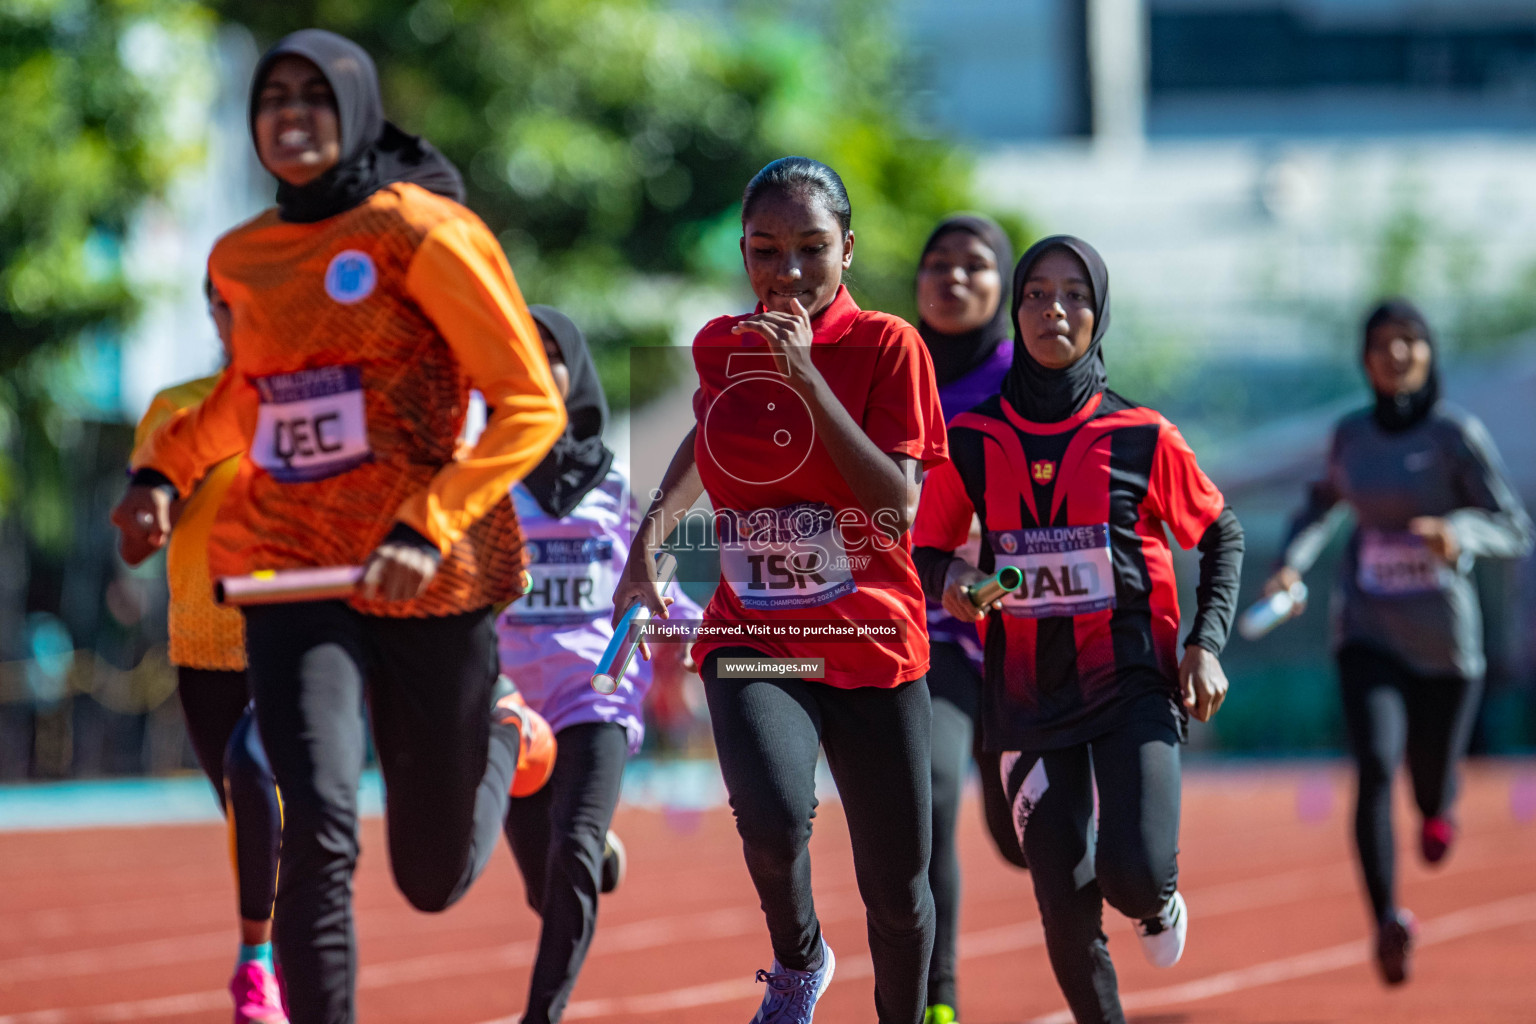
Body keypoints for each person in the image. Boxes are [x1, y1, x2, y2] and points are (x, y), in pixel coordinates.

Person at [110, 30, 563, 1024]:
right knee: (313, 824)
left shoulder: (424, 233)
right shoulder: (243, 257)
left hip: (426, 581)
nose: (291, 114)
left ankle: (497, 731)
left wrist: (425, 522)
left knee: (431, 875)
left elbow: (531, 403)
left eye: (315, 96)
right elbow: (251, 397)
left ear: (355, 108)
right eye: (272, 96)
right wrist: (161, 469)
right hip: (293, 575)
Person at [614, 156, 947, 1024]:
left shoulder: (887, 346)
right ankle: (800, 960)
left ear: (847, 250)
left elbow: (896, 504)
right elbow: (705, 434)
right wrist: (649, 538)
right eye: (765, 250)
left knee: (897, 888)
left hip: (870, 644)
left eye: (810, 248)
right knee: (767, 815)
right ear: (743, 252)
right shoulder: (722, 345)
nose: (787, 270)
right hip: (753, 633)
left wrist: (804, 376)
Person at [911, 235, 1244, 1024]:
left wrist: (1206, 643)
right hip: (1026, 698)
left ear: (1098, 313)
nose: (1052, 310)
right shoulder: (975, 440)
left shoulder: (1142, 434)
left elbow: (1221, 530)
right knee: (1060, 894)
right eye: (1035, 294)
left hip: (1133, 685)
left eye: (1073, 295)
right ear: (1016, 310)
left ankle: (1156, 899)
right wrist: (953, 580)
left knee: (1129, 875)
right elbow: (925, 545)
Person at [1262, 298, 1532, 985]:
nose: (1397, 354)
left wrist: (1458, 533)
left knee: (1429, 780)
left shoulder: (1453, 435)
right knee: (1376, 766)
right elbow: (1319, 506)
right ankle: (1386, 918)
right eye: (1383, 343)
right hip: (1368, 631)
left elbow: (1512, 526)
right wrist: (1293, 559)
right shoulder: (1350, 436)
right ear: (1366, 359)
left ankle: (1439, 805)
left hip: (1445, 642)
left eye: (1410, 341)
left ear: (1428, 353)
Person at [496, 304, 701, 1024]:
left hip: (597, 697)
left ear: (575, 371)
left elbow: (662, 581)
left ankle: (540, 1017)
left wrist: (705, 637)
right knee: (547, 884)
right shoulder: (481, 486)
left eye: (551, 351)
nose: (536, 363)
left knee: (574, 851)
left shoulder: (617, 489)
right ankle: (588, 850)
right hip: (510, 710)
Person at [118, 278, 286, 1024]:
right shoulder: (176, 406)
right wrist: (150, 513)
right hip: (203, 643)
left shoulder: (314, 400)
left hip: (298, 637)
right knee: (248, 815)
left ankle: (257, 964)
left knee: (258, 777)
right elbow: (135, 539)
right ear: (215, 315)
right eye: (230, 305)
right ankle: (280, 951)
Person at [912, 214, 1028, 1024]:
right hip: (928, 623)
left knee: (1021, 838)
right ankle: (939, 999)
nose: (954, 279)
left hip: (1025, 630)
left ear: (1004, 287)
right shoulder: (892, 368)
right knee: (931, 791)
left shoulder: (1030, 375)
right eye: (938, 264)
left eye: (975, 266)